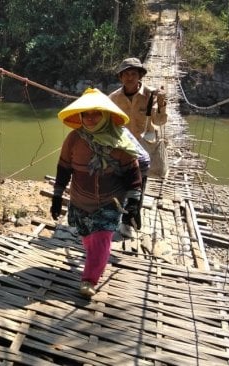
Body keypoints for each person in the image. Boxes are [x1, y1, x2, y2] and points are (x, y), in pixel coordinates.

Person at [50, 88, 142, 298]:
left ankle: (89, 279)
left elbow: (133, 174)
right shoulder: (73, 139)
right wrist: (57, 197)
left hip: (110, 202)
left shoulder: (120, 141)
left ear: (106, 115)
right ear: (80, 116)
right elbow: (63, 168)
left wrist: (133, 205)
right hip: (80, 200)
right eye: (86, 114)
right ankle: (94, 259)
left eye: (96, 113)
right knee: (88, 238)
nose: (91, 118)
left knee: (101, 240)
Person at [109, 57, 167, 238]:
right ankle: (121, 215)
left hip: (143, 149)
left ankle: (130, 220)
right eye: (125, 74)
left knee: (139, 185)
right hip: (122, 147)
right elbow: (108, 122)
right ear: (120, 77)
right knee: (119, 183)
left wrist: (162, 103)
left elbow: (160, 121)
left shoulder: (151, 95)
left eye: (133, 73)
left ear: (140, 75)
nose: (129, 77)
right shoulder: (113, 98)